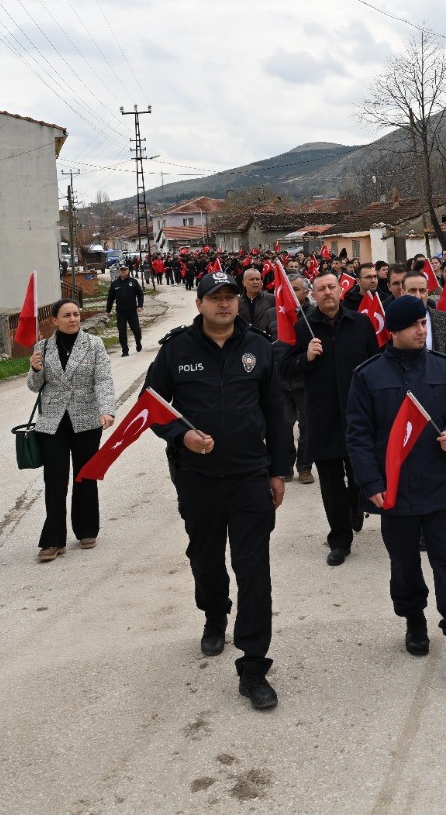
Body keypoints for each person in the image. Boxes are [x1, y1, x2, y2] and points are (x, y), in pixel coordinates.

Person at [143, 270, 290, 711]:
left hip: (249, 477)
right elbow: (152, 405)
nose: (224, 304)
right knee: (205, 559)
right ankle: (213, 612)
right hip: (199, 479)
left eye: (229, 297)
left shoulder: (258, 349)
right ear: (200, 304)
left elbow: (276, 413)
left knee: (254, 569)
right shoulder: (176, 351)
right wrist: (179, 436)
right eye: (215, 297)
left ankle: (253, 665)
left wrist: (278, 470)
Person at [347, 296, 446, 673]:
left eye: (423, 324)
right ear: (394, 331)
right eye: (413, 326)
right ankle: (414, 620)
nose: (422, 331)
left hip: (439, 484)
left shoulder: (445, 367)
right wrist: (371, 482)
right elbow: (358, 436)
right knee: (405, 564)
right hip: (395, 490)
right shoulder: (368, 375)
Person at [283, 270, 380, 565]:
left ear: (341, 290)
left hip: (358, 414)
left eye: (331, 287)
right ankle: (339, 539)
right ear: (313, 294)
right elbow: (285, 369)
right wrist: (305, 357)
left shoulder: (361, 323)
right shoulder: (303, 328)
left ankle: (355, 506)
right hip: (322, 416)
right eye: (321, 289)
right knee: (330, 482)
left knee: (360, 475)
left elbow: (376, 364)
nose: (327, 292)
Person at [26, 300, 116, 562]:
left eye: (76, 314)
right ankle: (54, 539)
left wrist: (107, 409)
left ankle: (87, 529)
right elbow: (34, 387)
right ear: (54, 320)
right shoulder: (42, 347)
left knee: (85, 475)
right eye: (66, 315)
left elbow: (103, 379)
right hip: (52, 422)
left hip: (87, 419)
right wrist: (34, 369)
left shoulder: (94, 344)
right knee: (55, 479)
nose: (73, 319)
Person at [399, 271, 446, 386]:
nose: (418, 295)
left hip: (442, 390)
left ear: (427, 293)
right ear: (402, 293)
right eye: (412, 291)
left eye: (422, 290)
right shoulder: (395, 323)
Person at [280, 274, 316, 485]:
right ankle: (285, 466)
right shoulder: (273, 314)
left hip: (306, 381)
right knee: (284, 426)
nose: (292, 293)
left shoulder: (314, 316)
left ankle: (304, 467)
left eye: (297, 289)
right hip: (281, 381)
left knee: (307, 426)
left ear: (306, 292)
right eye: (289, 288)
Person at [106, 265, 145, 357]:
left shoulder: (133, 282)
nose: (123, 272)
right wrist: (108, 310)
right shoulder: (115, 284)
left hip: (132, 311)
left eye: (125, 270)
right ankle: (125, 350)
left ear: (128, 271)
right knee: (122, 331)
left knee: (136, 329)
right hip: (120, 312)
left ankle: (138, 342)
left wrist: (140, 305)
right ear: (119, 272)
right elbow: (110, 298)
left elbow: (140, 294)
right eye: (121, 270)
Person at [238, 268, 276, 335]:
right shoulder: (237, 301)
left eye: (258, 279)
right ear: (243, 283)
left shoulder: (272, 299)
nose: (255, 282)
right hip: (244, 340)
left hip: (265, 339)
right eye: (251, 279)